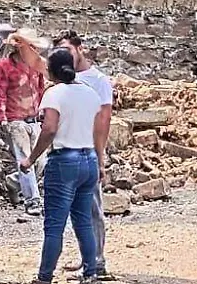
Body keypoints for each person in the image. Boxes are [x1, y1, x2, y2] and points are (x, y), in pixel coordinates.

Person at [22, 49, 104, 284]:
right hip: (88, 159)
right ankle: (90, 273)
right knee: (83, 221)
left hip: (64, 161)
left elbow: (49, 129)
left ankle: (44, 277)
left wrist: (31, 159)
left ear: (52, 71)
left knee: (55, 225)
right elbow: (96, 130)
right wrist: (100, 162)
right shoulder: (90, 94)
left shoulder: (54, 93)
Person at [54, 32, 114, 279]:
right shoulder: (65, 78)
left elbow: (104, 119)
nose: (65, 55)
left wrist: (100, 156)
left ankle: (97, 263)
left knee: (91, 209)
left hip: (88, 150)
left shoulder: (98, 81)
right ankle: (88, 258)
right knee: (78, 211)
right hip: (68, 149)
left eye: (68, 49)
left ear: (80, 48)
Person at [0, 31, 48, 216]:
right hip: (15, 119)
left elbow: (41, 89)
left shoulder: (36, 67)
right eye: (30, 46)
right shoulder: (5, 67)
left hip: (34, 118)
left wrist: (43, 111)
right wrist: (2, 118)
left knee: (40, 161)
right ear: (20, 47)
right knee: (25, 158)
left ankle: (13, 181)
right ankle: (32, 201)